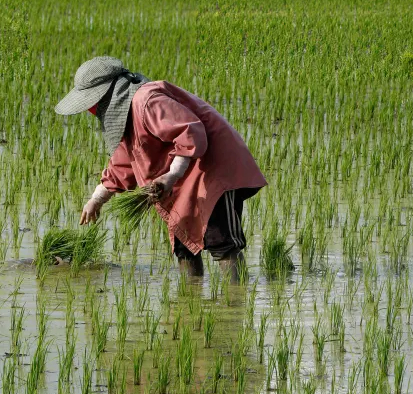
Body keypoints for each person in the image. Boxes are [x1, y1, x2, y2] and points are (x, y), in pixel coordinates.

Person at [55, 56, 267, 278]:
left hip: (213, 169)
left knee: (222, 242)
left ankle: (236, 304)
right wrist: (96, 199)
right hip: (183, 179)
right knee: (183, 247)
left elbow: (191, 133)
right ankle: (189, 304)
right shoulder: (127, 116)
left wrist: (172, 174)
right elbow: (122, 163)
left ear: (106, 94)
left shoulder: (147, 101)